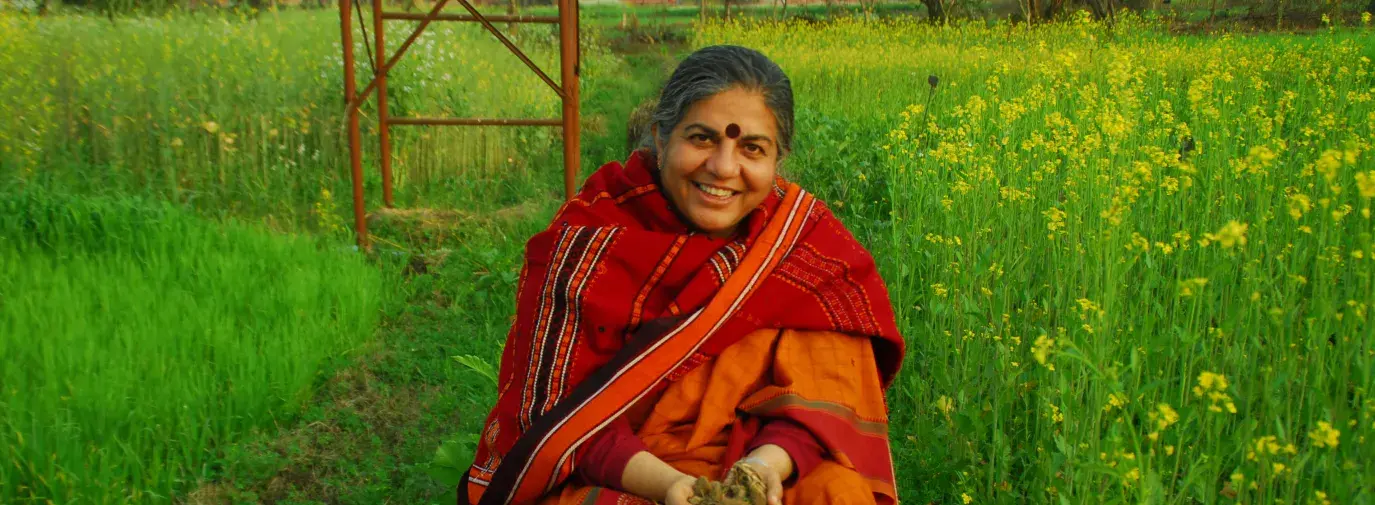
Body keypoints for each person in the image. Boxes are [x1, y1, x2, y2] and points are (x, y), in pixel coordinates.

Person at [462, 45, 905, 505]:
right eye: (702, 139)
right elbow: (557, 415)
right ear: (660, 136)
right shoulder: (586, 244)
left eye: (751, 148)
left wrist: (761, 469)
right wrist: (675, 487)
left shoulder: (802, 248)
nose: (723, 167)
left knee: (838, 492)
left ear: (778, 160)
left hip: (758, 458)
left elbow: (827, 392)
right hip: (616, 472)